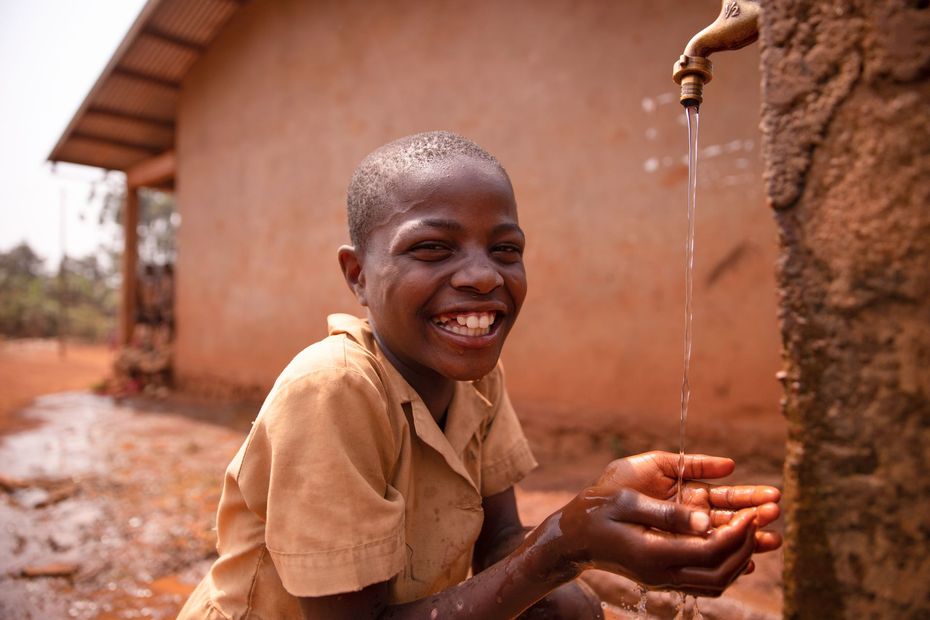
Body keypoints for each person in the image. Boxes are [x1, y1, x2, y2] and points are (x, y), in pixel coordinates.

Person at [178, 131, 781, 619]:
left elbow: (499, 544)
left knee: (567, 609)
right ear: (358, 275)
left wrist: (611, 528)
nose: (484, 277)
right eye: (434, 249)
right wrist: (565, 544)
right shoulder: (333, 388)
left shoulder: (475, 376)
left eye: (505, 249)